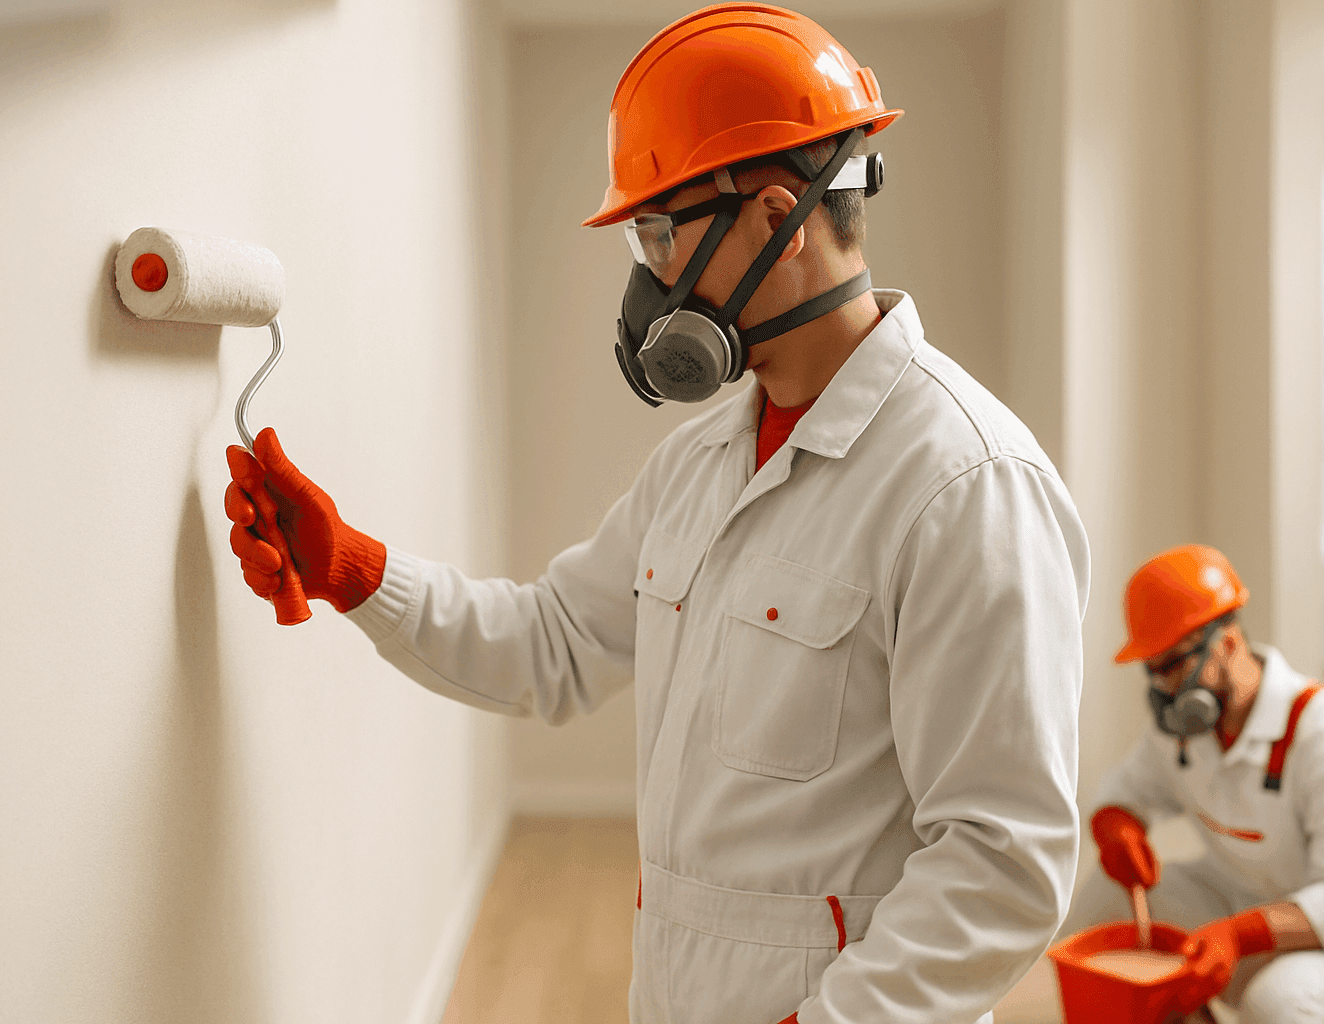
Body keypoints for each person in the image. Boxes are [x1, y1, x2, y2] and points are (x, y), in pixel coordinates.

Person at [224, 5, 1090, 1022]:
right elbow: (554, 642)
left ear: (779, 217)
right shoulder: (702, 461)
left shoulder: (962, 485)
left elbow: (1004, 862)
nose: (649, 281)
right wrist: (357, 572)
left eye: (661, 233)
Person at [1061, 543, 1324, 1022]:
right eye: (1152, 669)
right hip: (1234, 904)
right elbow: (1127, 791)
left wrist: (1240, 935)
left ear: (1226, 643)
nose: (1163, 689)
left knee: (1278, 1002)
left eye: (1172, 665)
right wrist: (1116, 825)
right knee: (1105, 897)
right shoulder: (1188, 733)